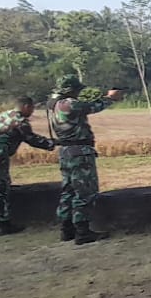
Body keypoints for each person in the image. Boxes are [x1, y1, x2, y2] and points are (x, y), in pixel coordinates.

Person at [48, 75, 124, 244]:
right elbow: (92, 106)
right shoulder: (68, 104)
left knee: (68, 190)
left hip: (67, 151)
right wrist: (110, 98)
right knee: (85, 191)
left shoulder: (54, 104)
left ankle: (67, 229)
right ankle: (82, 231)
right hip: (79, 152)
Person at [0, 96, 57, 236]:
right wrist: (52, 143)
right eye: (31, 108)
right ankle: (3, 224)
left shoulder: (4, 115)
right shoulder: (20, 122)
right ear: (25, 107)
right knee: (0, 190)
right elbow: (32, 139)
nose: (32, 111)